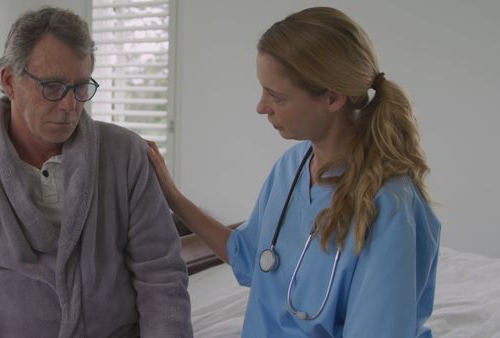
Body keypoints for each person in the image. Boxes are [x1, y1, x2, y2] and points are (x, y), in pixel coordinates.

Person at [147, 6, 441, 338]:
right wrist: (172, 195)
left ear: (332, 97)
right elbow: (249, 256)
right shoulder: (292, 166)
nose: (261, 107)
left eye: (276, 96)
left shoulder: (391, 205)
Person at [0, 7, 192, 338]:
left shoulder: (127, 156)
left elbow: (162, 277)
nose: (69, 105)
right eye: (52, 87)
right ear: (9, 81)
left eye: (80, 87)